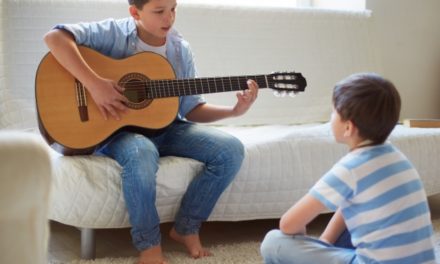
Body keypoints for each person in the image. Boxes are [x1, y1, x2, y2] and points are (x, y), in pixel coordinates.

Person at [44, 0, 259, 263]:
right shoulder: (112, 32)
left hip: (168, 127)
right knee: (142, 152)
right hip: (116, 131)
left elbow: (191, 108)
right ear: (135, 12)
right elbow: (54, 38)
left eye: (173, 9)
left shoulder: (179, 50)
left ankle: (185, 229)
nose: (169, 18)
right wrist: (95, 84)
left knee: (230, 150)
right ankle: (149, 247)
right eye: (159, 11)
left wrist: (234, 111)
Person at [260, 73, 436, 264]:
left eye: (334, 112)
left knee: (273, 242)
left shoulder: (350, 168)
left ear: (348, 128)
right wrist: (324, 243)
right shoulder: (396, 156)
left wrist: (301, 243)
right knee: (354, 214)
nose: (331, 118)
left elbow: (288, 224)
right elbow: (349, 203)